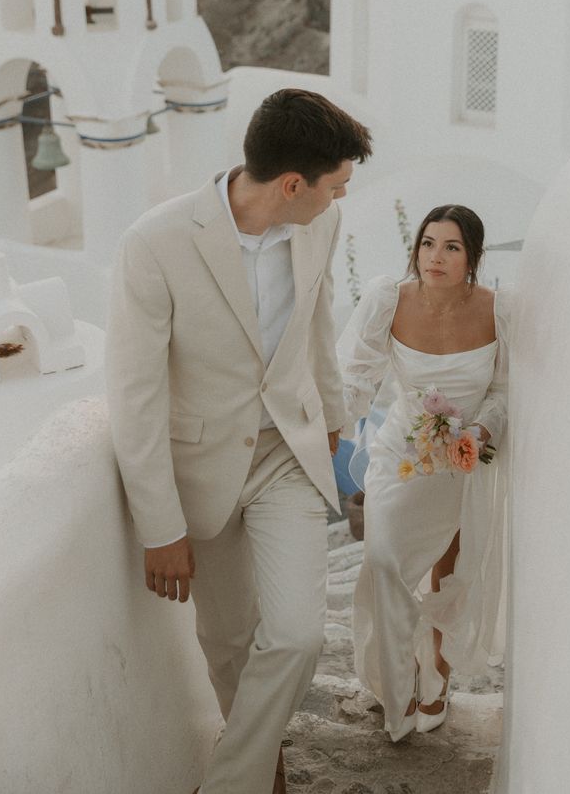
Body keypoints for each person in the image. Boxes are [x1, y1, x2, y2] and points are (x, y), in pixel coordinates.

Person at [106, 88, 372, 794]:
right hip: (200, 467)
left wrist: (335, 425)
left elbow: (316, 323)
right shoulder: (153, 245)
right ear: (293, 184)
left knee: (296, 633)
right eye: (336, 182)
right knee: (226, 642)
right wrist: (160, 525)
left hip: (287, 452)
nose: (342, 195)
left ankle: (230, 781)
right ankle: (262, 766)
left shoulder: (323, 222)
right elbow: (135, 395)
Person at [337, 205, 510, 741]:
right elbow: (355, 377)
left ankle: (438, 670)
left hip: (462, 461)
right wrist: (331, 441)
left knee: (449, 571)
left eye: (451, 247)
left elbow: (503, 392)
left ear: (472, 258)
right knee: (384, 560)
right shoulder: (389, 298)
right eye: (428, 243)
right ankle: (401, 684)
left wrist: (478, 433)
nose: (435, 257)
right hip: (402, 453)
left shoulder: (498, 311)